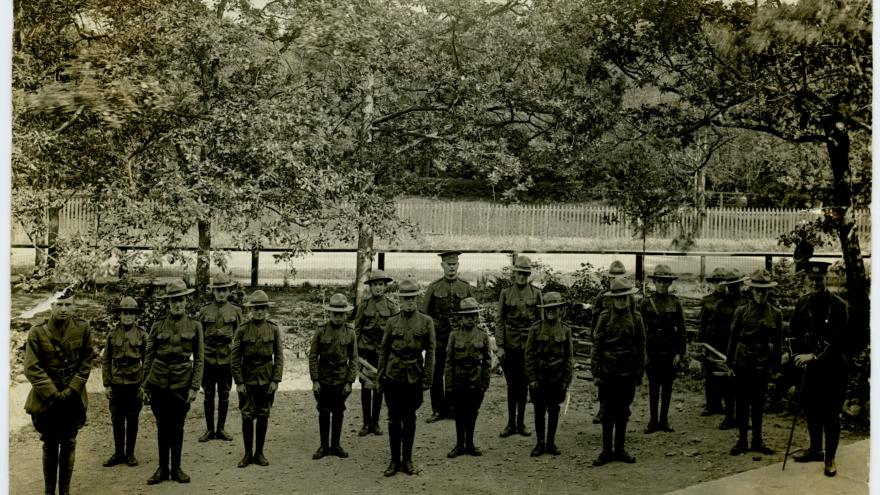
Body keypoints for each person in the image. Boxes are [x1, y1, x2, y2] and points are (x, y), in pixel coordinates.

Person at [24, 287, 95, 495]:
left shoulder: (83, 328)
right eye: (59, 305)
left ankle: (65, 491)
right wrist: (54, 394)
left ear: (73, 305)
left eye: (68, 304)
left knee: (69, 442)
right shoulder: (37, 332)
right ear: (50, 305)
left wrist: (72, 389)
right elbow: (31, 367)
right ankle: (49, 491)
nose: (64, 309)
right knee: (49, 443)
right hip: (47, 400)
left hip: (72, 397)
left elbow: (86, 361)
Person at [789, 261, 850, 477]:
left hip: (832, 369)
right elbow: (793, 332)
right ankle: (815, 449)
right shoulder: (802, 303)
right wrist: (796, 354)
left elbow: (837, 339)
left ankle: (830, 458)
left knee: (831, 414)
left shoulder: (838, 305)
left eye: (819, 279)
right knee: (812, 411)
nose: (815, 283)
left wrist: (813, 356)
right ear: (807, 279)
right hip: (810, 370)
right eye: (812, 279)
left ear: (826, 278)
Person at [141, 279, 205, 484]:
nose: (177, 304)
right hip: (159, 380)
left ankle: (176, 468)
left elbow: (200, 359)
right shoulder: (157, 325)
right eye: (173, 301)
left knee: (177, 425)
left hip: (182, 382)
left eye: (181, 300)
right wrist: (145, 384)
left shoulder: (195, 326)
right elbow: (149, 356)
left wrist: (195, 386)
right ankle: (162, 468)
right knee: (162, 425)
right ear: (168, 303)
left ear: (186, 301)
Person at [377, 278, 435, 476]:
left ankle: (408, 460)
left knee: (410, 418)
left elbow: (431, 352)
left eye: (412, 298)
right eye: (405, 299)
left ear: (417, 299)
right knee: (393, 418)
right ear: (400, 300)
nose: (409, 302)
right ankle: (394, 461)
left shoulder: (427, 322)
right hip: (393, 375)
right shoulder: (392, 322)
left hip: (414, 376)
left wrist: (428, 378)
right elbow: (384, 351)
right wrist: (380, 376)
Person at [727, 269, 782, 456]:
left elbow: (778, 343)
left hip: (762, 364)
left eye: (764, 291)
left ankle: (757, 441)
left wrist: (776, 367)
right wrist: (729, 363)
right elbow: (733, 339)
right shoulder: (741, 312)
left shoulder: (775, 314)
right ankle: (742, 441)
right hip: (742, 363)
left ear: (769, 292)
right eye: (757, 290)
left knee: (758, 404)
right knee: (742, 403)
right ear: (751, 290)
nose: (761, 294)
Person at [591, 278, 645, 466]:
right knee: (607, 412)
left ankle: (620, 449)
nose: (622, 301)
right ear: (612, 299)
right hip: (608, 372)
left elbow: (641, 345)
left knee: (623, 411)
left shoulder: (637, 318)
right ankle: (606, 451)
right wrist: (596, 372)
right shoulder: (604, 317)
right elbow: (597, 345)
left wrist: (639, 371)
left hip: (628, 372)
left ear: (630, 299)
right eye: (618, 298)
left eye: (625, 297)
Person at [231, 290, 284, 468]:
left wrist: (276, 380)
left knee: (263, 414)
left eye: (262, 308)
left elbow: (279, 356)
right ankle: (247, 454)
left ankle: (259, 452)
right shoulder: (243, 329)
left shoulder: (274, 329)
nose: (259, 311)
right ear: (250, 310)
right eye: (255, 308)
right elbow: (235, 357)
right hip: (247, 378)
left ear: (267, 309)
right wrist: (239, 382)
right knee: (247, 415)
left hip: (266, 378)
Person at [495, 255, 542, 437]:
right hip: (510, 345)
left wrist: (537, 347)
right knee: (511, 385)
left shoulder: (536, 293)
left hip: (528, 346)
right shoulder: (505, 293)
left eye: (525, 273)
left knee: (524, 385)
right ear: (514, 274)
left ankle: (521, 423)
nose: (522, 276)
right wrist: (499, 345)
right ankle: (510, 424)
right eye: (519, 273)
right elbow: (499, 320)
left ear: (528, 274)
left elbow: (540, 321)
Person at [524, 291, 574, 457]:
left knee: (554, 410)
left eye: (555, 308)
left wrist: (566, 379)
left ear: (561, 310)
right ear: (543, 310)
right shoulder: (535, 328)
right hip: (539, 378)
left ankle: (551, 442)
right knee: (539, 410)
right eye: (548, 308)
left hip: (557, 378)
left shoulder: (566, 330)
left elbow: (568, 357)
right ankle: (540, 443)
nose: (552, 311)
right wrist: (531, 378)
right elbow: (529, 355)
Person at [309, 293, 358, 460]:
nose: (338, 318)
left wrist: (350, 382)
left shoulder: (350, 333)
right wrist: (315, 380)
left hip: (341, 378)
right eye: (335, 314)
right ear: (329, 313)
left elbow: (354, 358)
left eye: (341, 314)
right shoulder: (321, 331)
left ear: (346, 314)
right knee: (323, 411)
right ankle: (324, 446)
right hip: (323, 377)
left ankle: (336, 445)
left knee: (338, 411)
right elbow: (313, 356)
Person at [101, 296, 147, 468]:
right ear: (119, 315)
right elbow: (105, 360)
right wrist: (107, 384)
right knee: (117, 418)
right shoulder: (112, 334)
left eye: (131, 314)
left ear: (135, 316)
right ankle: (118, 453)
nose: (127, 316)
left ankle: (130, 454)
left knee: (133, 418)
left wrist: (144, 385)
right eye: (124, 313)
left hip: (135, 381)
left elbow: (147, 360)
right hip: (117, 381)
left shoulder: (142, 334)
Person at [641, 265, 686, 434]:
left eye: (665, 282)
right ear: (654, 282)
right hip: (652, 350)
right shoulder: (646, 303)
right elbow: (640, 329)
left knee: (667, 387)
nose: (661, 285)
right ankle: (653, 421)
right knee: (653, 387)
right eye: (659, 281)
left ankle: (664, 420)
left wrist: (679, 352)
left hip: (669, 350)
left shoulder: (675, 302)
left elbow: (681, 329)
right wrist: (643, 352)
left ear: (669, 284)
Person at [197, 274, 242, 442]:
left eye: (224, 290)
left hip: (226, 358)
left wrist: (236, 356)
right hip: (208, 358)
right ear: (213, 291)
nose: (221, 294)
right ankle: (209, 430)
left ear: (229, 291)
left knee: (224, 394)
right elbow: (199, 336)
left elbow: (239, 337)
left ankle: (221, 429)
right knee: (208, 394)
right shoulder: (205, 310)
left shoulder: (235, 311)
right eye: (218, 290)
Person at [354, 270, 399, 436]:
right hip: (366, 354)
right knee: (366, 386)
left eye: (381, 285)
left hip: (383, 354)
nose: (378, 288)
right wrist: (355, 354)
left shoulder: (392, 306)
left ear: (385, 286)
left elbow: (396, 331)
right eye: (374, 285)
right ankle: (366, 423)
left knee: (380, 386)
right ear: (370, 287)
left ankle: (376, 422)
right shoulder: (364, 306)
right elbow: (356, 330)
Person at [445, 297, 491, 458]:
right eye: (466, 316)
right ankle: (459, 445)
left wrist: (485, 383)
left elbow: (487, 361)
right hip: (458, 382)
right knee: (459, 413)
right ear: (460, 318)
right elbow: (449, 362)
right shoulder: (454, 336)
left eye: (472, 316)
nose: (469, 319)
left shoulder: (483, 336)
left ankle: (470, 444)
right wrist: (448, 386)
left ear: (476, 317)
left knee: (472, 413)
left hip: (475, 382)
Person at [589, 259, 628, 425]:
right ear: (608, 278)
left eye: (619, 277)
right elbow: (595, 319)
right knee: (604, 381)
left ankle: (622, 409)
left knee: (622, 380)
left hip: (623, 344)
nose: (616, 280)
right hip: (605, 343)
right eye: (613, 277)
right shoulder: (602, 297)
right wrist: (594, 337)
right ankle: (602, 410)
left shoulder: (628, 297)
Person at [713, 269, 748, 430]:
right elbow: (715, 327)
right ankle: (728, 418)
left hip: (743, 348)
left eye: (736, 285)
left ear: (741, 284)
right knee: (727, 383)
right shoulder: (720, 304)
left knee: (743, 386)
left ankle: (743, 420)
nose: (734, 289)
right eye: (731, 286)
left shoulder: (747, 302)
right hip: (725, 347)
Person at [697, 267, 729, 417]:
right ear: (713, 283)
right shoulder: (707, 301)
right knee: (710, 374)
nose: (720, 284)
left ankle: (724, 404)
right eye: (717, 282)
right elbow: (702, 324)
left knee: (725, 373)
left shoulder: (732, 300)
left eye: (723, 281)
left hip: (727, 342)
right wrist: (701, 343)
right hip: (711, 342)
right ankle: (711, 405)